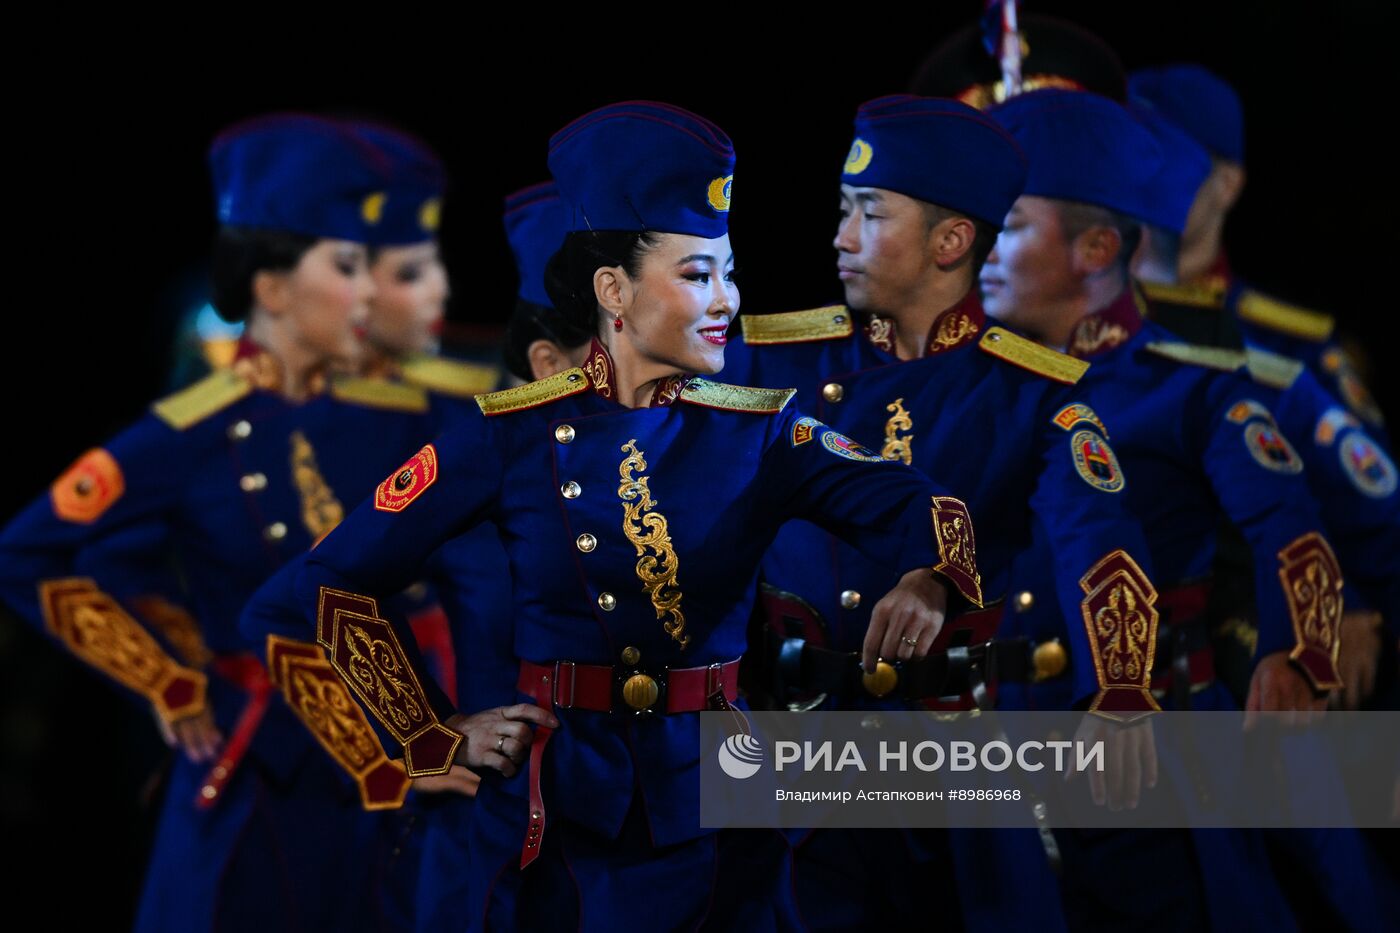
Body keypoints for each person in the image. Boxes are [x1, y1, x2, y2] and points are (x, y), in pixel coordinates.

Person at [240, 99, 986, 931]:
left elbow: (921, 501)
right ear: (613, 291)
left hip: (723, 800)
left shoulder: (763, 428)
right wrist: (426, 731)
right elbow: (332, 579)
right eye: (698, 275)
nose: (727, 302)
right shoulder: (511, 433)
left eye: (729, 273)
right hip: (560, 810)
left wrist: (930, 575)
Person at [0, 113, 459, 933]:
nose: (368, 292)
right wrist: (164, 675)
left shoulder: (396, 416)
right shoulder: (193, 431)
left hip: (393, 788)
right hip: (260, 790)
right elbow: (30, 551)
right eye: (347, 266)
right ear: (275, 286)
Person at [718, 95, 1161, 931]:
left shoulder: (1032, 394)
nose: (840, 237)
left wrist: (1123, 684)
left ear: (951, 242)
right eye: (844, 211)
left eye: (870, 214)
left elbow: (1100, 543)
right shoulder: (771, 361)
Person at [983, 87, 1346, 932]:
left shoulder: (1185, 383)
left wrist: (1299, 655)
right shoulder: (968, 379)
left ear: (1097, 247)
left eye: (1007, 226)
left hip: (1152, 741)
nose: (978, 252)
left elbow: (1289, 522)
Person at [1129, 63, 1388, 438]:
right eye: (1123, 152)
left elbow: (1368, 487)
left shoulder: (1292, 349)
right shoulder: (1070, 315)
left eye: (1165, 157)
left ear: (1228, 185)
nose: (1139, 175)